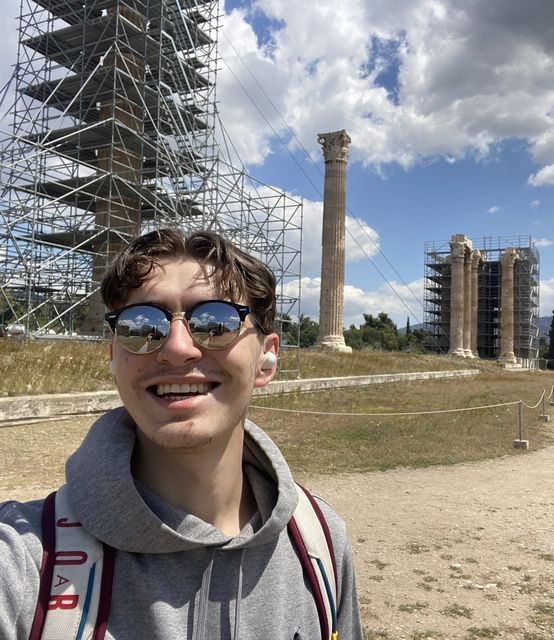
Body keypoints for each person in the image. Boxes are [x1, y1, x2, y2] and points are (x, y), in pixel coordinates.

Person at [0, 228, 363, 639]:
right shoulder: (27, 558)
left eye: (216, 321)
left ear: (267, 358)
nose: (177, 348)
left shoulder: (322, 543)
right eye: (142, 325)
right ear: (114, 358)